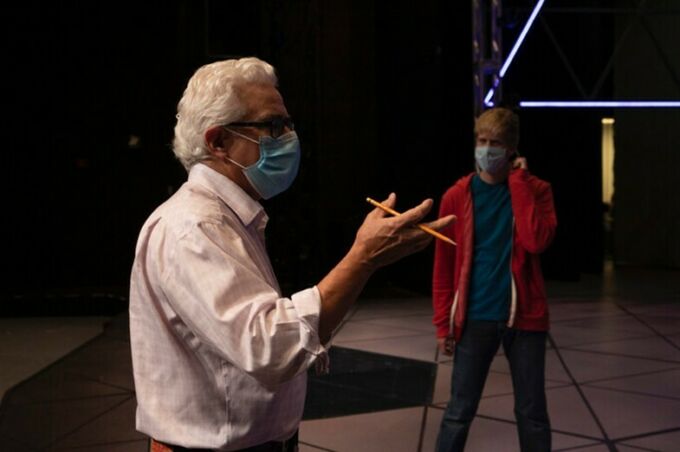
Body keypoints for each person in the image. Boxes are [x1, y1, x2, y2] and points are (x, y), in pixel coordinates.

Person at [129, 57, 454, 452]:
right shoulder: (194, 227)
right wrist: (363, 257)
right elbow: (270, 347)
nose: (288, 137)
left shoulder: (227, 218)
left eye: (287, 125)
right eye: (272, 126)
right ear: (217, 142)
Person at [432, 107, 557, 452]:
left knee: (532, 412)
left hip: (526, 319)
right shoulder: (456, 196)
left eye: (496, 143)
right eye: (482, 141)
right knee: (459, 410)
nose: (487, 150)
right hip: (475, 318)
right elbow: (443, 266)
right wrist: (443, 324)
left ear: (512, 149)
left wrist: (518, 183)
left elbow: (535, 240)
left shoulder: (537, 190)